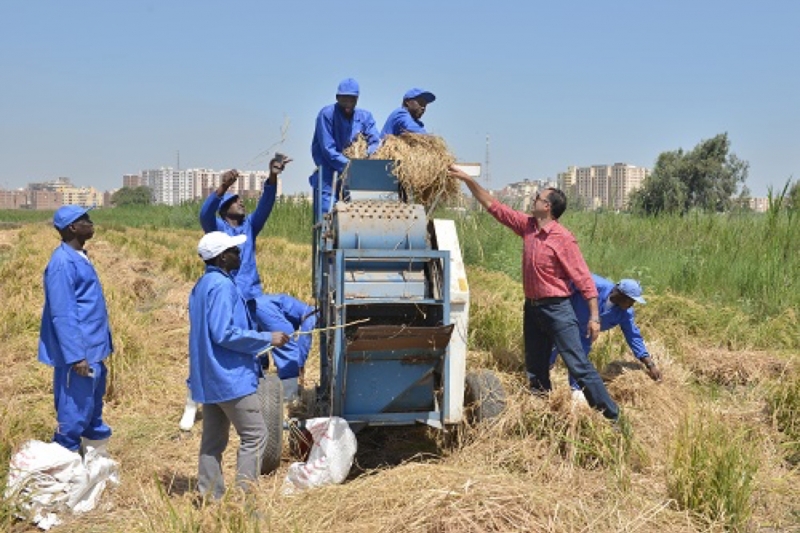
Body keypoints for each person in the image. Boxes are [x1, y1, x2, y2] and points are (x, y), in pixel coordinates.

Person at [448, 167, 619, 421]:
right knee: (536, 367)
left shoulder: (563, 238)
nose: (533, 200)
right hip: (533, 309)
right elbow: (492, 205)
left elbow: (584, 279)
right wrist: (468, 181)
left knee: (578, 365)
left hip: (558, 310)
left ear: (547, 207)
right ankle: (541, 415)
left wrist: (594, 317)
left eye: (537, 198)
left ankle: (611, 417)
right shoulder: (528, 227)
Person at [198, 157, 316, 388]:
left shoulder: (249, 226)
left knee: (260, 343)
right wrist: (222, 188)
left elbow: (266, 205)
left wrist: (272, 176)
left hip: (252, 298)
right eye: (235, 201)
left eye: (242, 200)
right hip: (230, 299)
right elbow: (204, 215)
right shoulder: (219, 230)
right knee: (235, 343)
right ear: (224, 210)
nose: (241, 203)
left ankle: (269, 389)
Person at [189, 231, 290, 499]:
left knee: (212, 443)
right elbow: (223, 332)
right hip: (229, 376)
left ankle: (210, 497)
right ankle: (246, 499)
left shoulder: (202, 285)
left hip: (209, 376)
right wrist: (267, 338)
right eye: (234, 250)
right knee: (256, 436)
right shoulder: (222, 286)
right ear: (223, 257)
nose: (239, 254)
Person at [38, 205, 114, 454]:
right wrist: (76, 356)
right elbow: (63, 314)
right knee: (73, 414)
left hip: (93, 350)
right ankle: (65, 469)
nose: (91, 223)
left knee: (92, 410)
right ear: (73, 228)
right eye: (86, 220)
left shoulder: (79, 256)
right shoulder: (61, 263)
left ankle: (93, 463)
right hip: (80, 355)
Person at [553, 275, 662, 400]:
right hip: (564, 323)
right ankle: (539, 387)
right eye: (631, 300)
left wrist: (650, 364)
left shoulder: (625, 313)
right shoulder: (595, 285)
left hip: (585, 334)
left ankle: (575, 392)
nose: (632, 304)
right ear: (620, 294)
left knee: (579, 362)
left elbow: (633, 337)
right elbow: (566, 281)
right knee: (548, 353)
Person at [309, 78, 381, 221]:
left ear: (357, 99)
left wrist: (365, 158)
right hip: (329, 174)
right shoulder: (327, 115)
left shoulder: (365, 116)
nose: (348, 104)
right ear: (337, 98)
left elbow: (375, 141)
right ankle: (326, 240)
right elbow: (327, 149)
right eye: (344, 99)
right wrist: (349, 165)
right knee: (327, 216)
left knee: (355, 215)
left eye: (352, 99)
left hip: (355, 176)